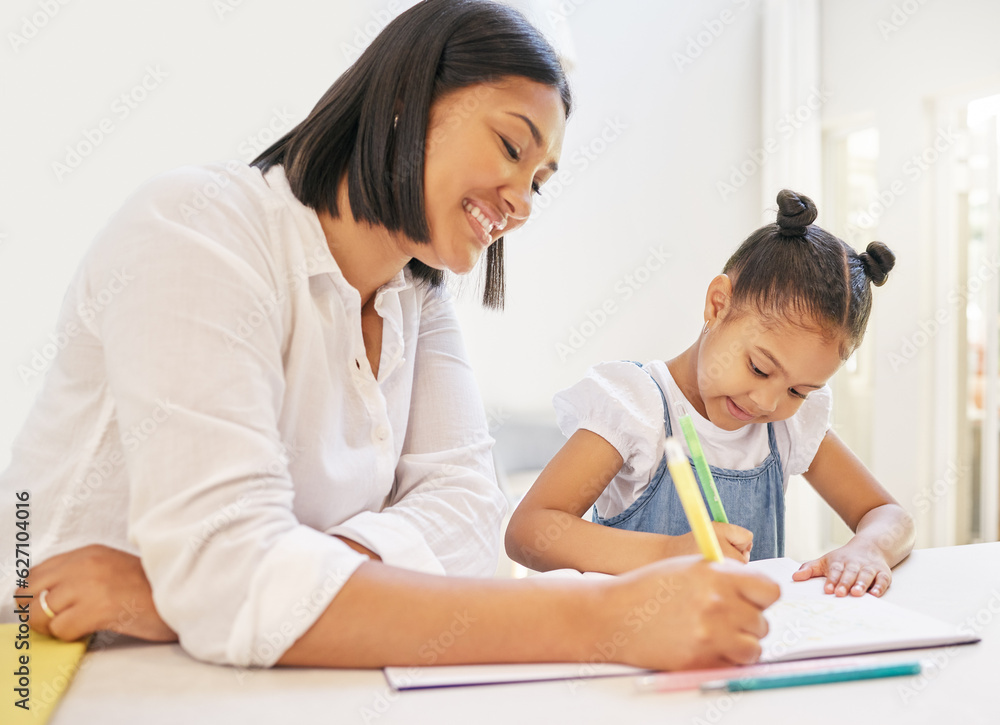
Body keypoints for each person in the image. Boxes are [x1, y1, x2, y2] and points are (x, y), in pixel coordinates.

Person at [4, 0, 780, 671]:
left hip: (233, 665)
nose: (522, 202)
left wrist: (200, 590)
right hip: (57, 661)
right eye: (512, 147)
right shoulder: (197, 229)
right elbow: (229, 577)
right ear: (407, 98)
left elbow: (473, 526)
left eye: (540, 181)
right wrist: (607, 622)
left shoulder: (415, 296)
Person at [506, 189, 915, 598]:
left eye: (798, 390)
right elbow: (530, 531)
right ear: (718, 304)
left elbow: (888, 514)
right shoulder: (637, 406)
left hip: (741, 649)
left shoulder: (787, 426)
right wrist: (670, 552)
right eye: (759, 368)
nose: (767, 403)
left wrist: (868, 548)